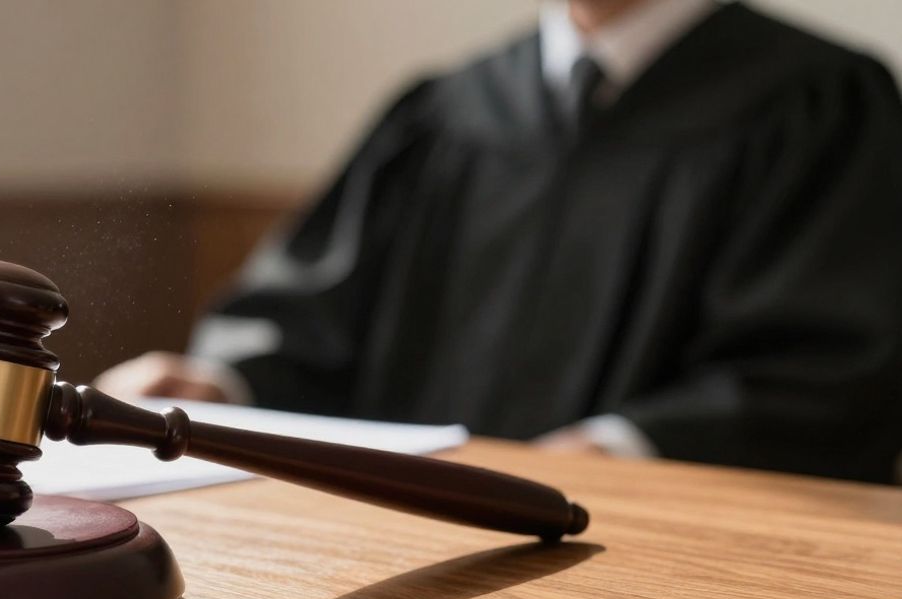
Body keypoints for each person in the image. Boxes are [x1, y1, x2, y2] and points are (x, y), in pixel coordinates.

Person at [97, 0, 902, 483]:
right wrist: (220, 382)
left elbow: (824, 371)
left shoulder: (819, 104)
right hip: (403, 560)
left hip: (667, 582)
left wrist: (625, 451)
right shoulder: (446, 112)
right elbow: (311, 311)